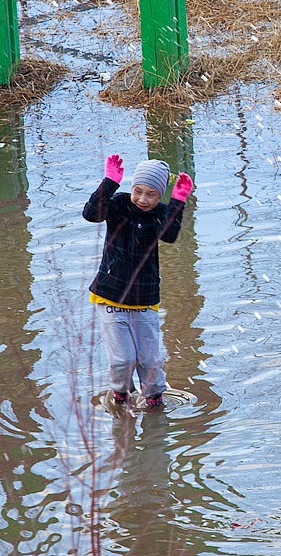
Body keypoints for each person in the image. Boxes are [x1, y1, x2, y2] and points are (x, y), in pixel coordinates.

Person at [83, 154, 194, 408]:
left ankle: (154, 401)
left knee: (150, 360)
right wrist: (109, 182)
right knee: (123, 359)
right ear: (131, 188)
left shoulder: (161, 214)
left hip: (145, 299)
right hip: (110, 295)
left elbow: (170, 235)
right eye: (138, 191)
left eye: (152, 194)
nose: (143, 199)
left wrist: (177, 202)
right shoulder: (120, 204)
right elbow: (91, 214)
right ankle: (121, 395)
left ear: (160, 195)